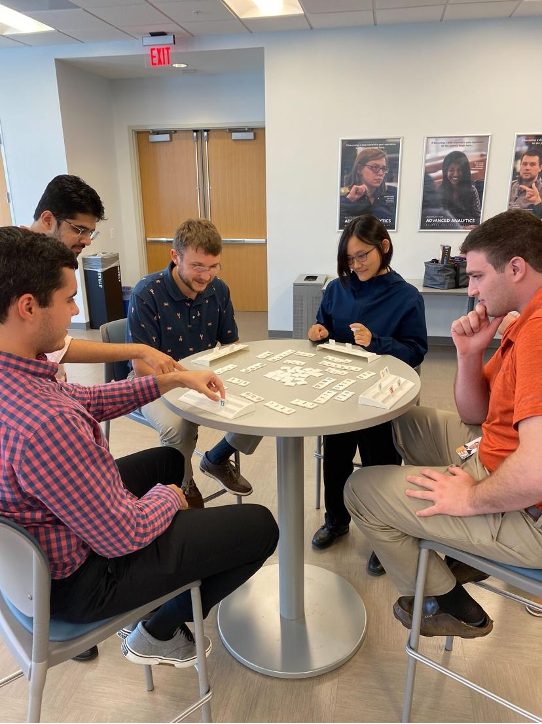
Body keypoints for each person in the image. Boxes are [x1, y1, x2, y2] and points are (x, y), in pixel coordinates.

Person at [0, 227, 279, 668]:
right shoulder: (46, 426)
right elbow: (120, 534)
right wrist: (172, 498)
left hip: (43, 547)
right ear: (28, 307)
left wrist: (170, 378)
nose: (77, 311)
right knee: (261, 526)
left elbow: (85, 398)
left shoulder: (19, 375)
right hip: (80, 580)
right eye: (69, 299)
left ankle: (169, 574)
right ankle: (158, 629)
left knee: (168, 460)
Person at [345, 209, 542, 639]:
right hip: (497, 452)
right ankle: (456, 542)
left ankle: (444, 602)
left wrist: (470, 499)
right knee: (404, 420)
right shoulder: (524, 317)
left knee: (358, 491)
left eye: (475, 276)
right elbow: (476, 414)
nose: (470, 291)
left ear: (515, 268)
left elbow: (536, 472)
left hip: (530, 513)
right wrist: (469, 353)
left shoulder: (539, 331)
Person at [308, 215, 427, 575]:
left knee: (381, 466)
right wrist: (317, 333)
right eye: (349, 258)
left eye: (362, 256)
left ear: (384, 248)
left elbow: (416, 350)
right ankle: (337, 521)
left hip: (382, 397)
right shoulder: (336, 288)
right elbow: (323, 327)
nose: (355, 264)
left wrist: (377, 343)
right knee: (336, 460)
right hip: (340, 392)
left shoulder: (406, 296)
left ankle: (382, 534)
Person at [127, 219, 262, 508]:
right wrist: (184, 380)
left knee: (262, 403)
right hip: (153, 383)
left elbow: (231, 345)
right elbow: (141, 367)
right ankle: (183, 487)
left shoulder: (219, 290)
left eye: (214, 267)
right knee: (178, 427)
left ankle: (216, 458)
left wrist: (248, 376)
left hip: (199, 377)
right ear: (175, 257)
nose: (206, 276)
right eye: (198, 266)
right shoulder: (147, 293)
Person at [28, 175, 183, 379]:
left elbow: (58, 348)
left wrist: (140, 350)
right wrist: (139, 351)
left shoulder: (53, 261)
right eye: (79, 230)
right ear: (48, 220)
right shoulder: (14, 263)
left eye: (90, 233)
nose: (87, 241)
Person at [339, 148, 398, 230]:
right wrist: (350, 200)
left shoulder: (393, 193)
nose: (381, 173)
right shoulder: (345, 197)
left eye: (383, 168)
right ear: (359, 169)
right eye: (374, 167)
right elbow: (339, 226)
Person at [439, 150, 481, 227]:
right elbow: (438, 223)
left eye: (460, 170)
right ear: (445, 171)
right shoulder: (438, 193)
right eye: (451, 170)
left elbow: (477, 216)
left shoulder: (472, 190)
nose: (456, 174)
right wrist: (462, 228)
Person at [508, 147, 542, 219]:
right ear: (520, 165)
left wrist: (537, 202)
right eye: (524, 164)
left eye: (532, 164)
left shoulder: (540, 189)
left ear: (540, 168)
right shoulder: (509, 186)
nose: (527, 168)